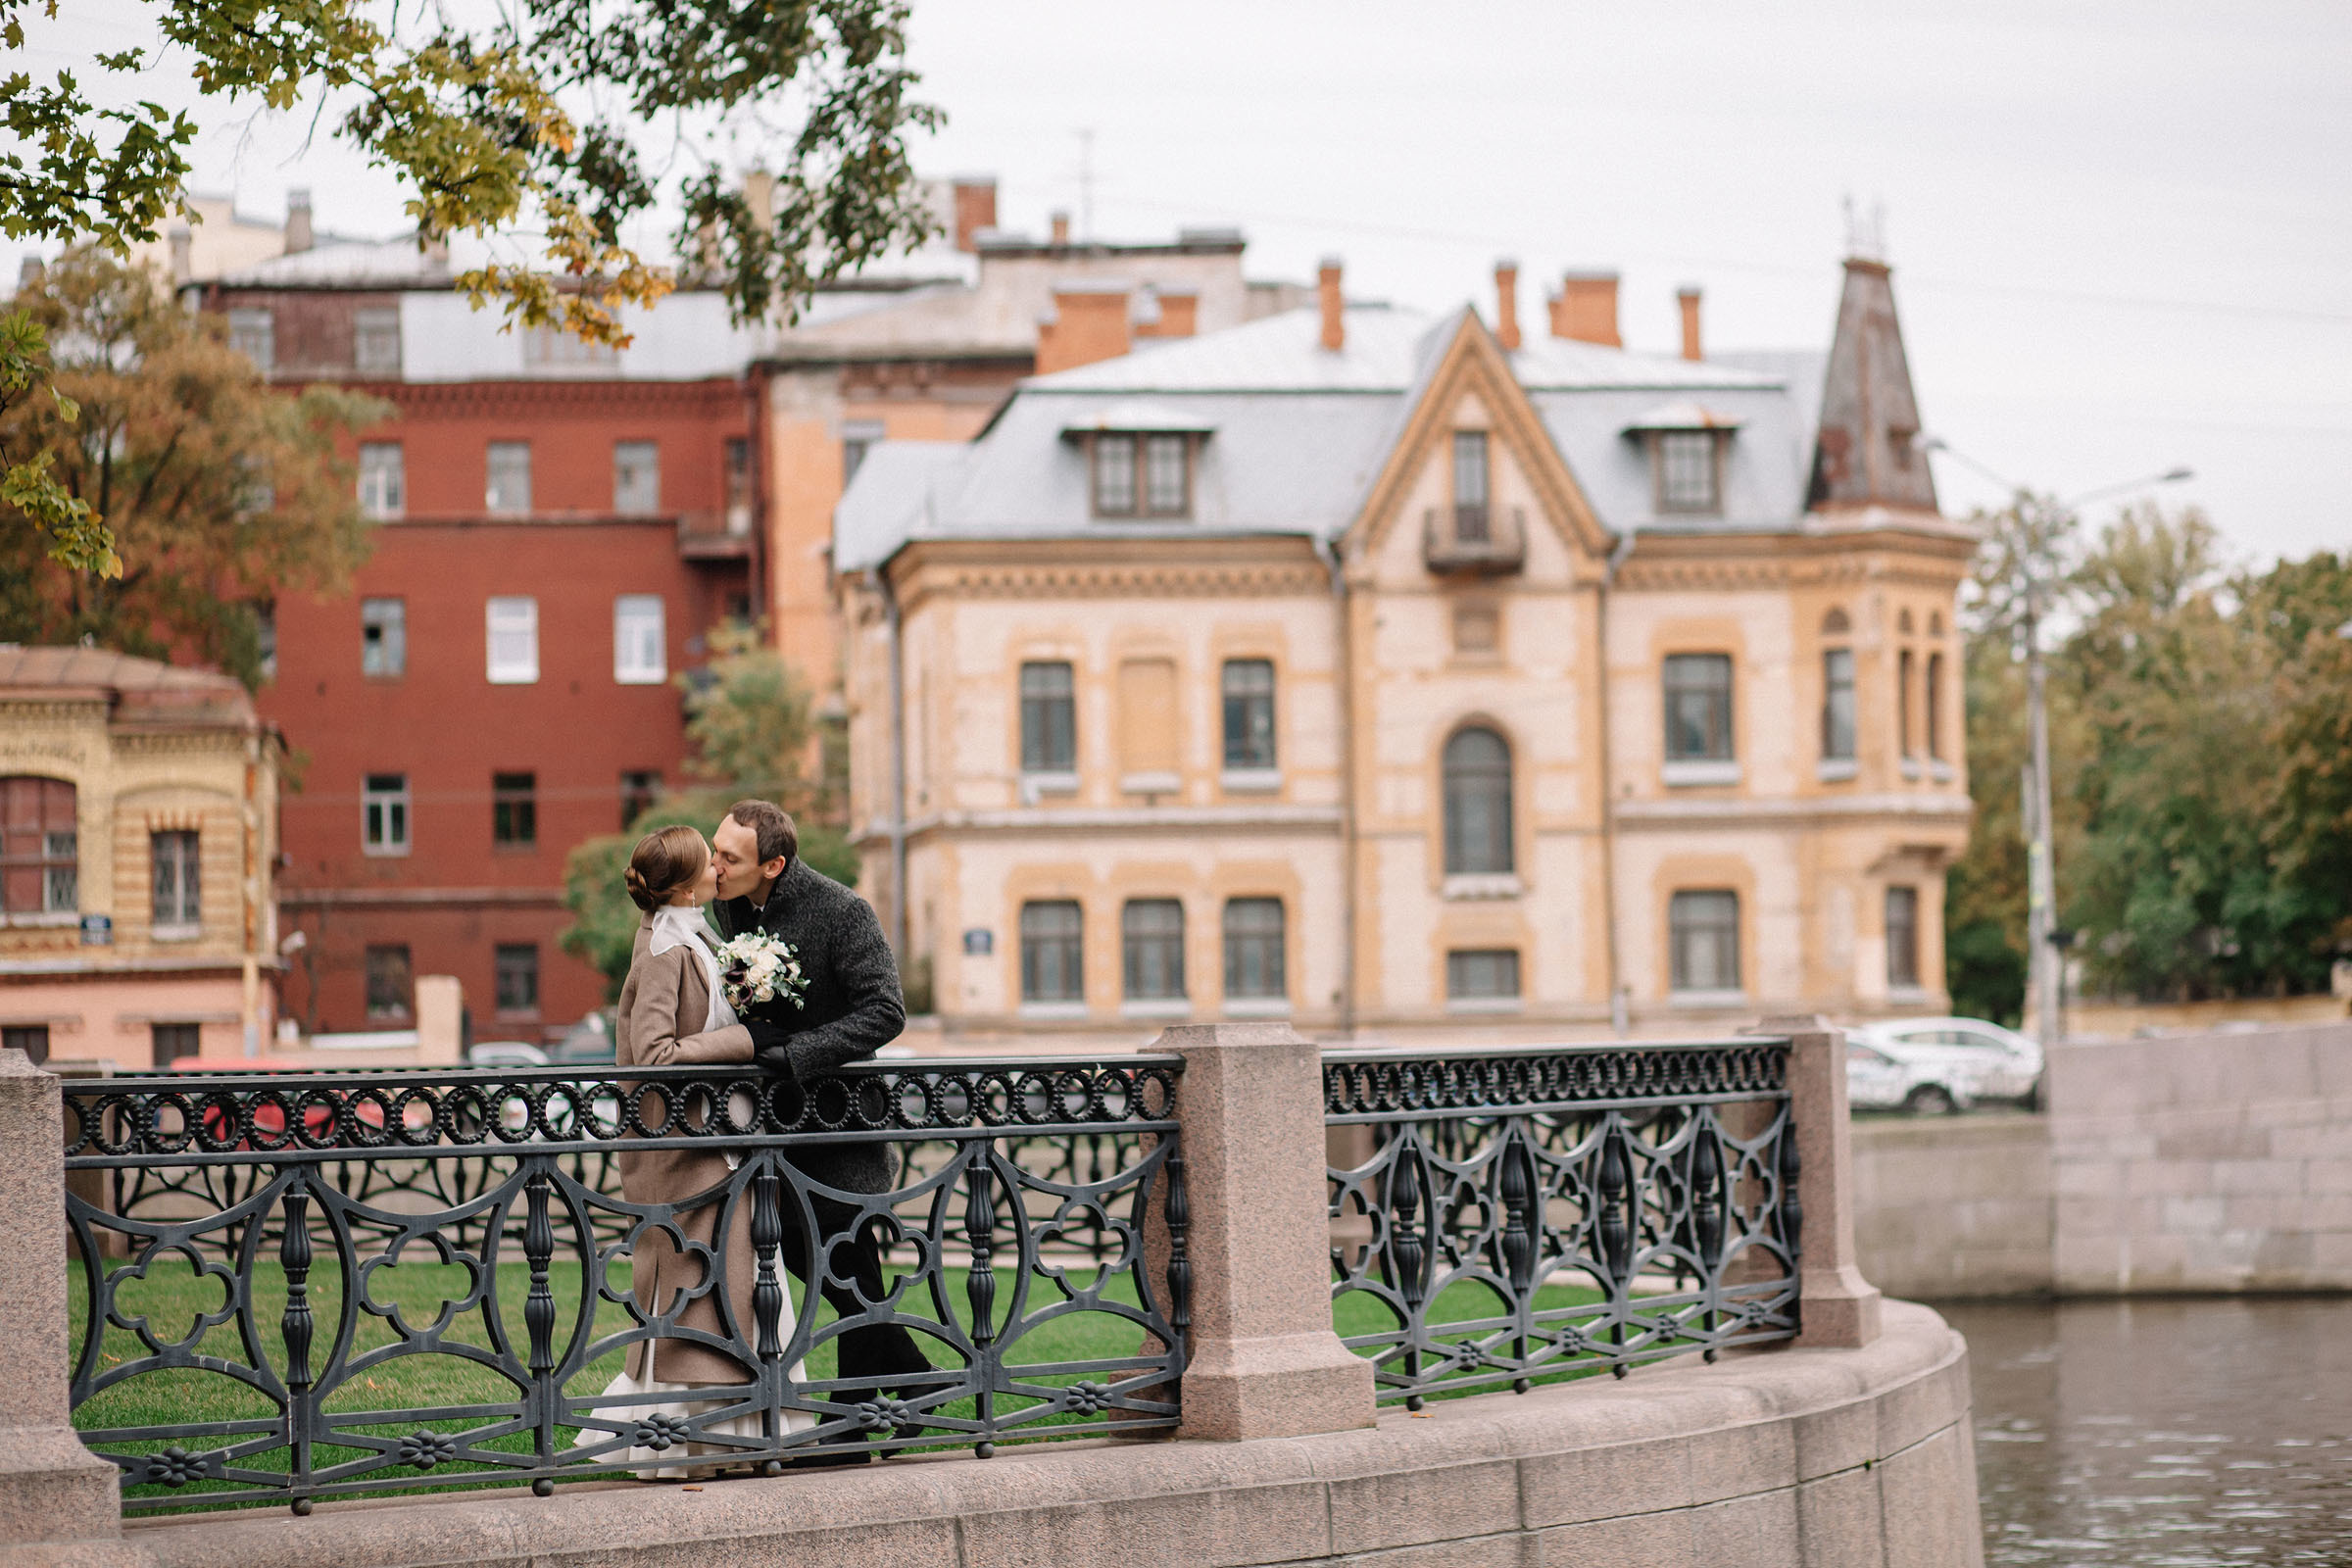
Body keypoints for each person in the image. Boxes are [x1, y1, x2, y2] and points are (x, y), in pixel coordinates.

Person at [583, 823, 811, 1478]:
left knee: (734, 1291)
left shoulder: (697, 934)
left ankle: (736, 1437)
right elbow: (654, 1053)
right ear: (686, 883)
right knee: (700, 1292)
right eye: (708, 860)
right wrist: (745, 1042)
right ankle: (692, 1444)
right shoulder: (661, 949)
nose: (720, 865)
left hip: (717, 1146)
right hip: (682, 1156)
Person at [709, 799, 940, 1435]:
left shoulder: (843, 912)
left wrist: (796, 1055)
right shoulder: (726, 905)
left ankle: (856, 1424)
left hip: (841, 1126)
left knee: (844, 1265)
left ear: (774, 864)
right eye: (716, 848)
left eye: (729, 856)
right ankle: (913, 1386)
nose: (715, 864)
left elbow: (885, 1011)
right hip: (773, 1127)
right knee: (830, 1271)